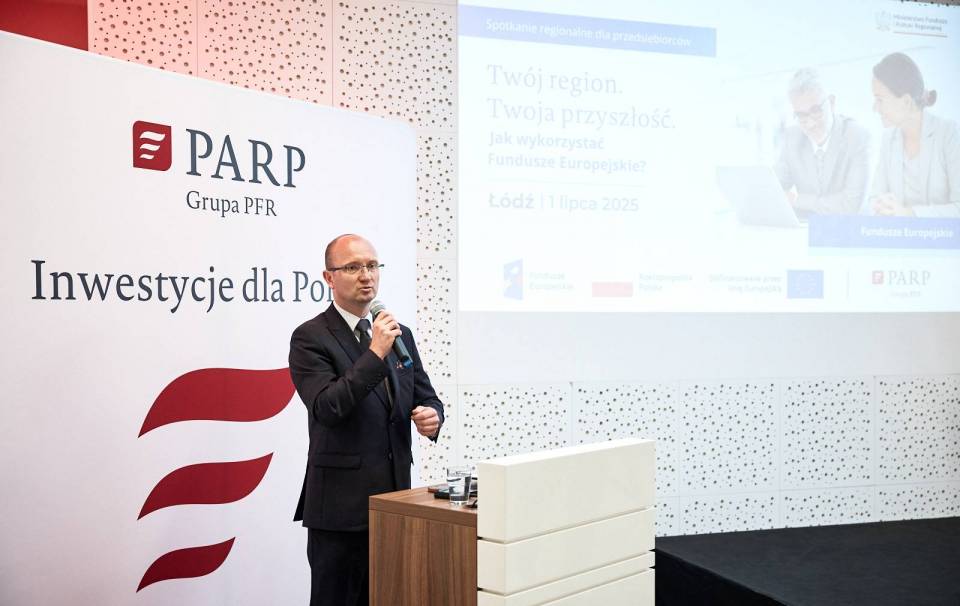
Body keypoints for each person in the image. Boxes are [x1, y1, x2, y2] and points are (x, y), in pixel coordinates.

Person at [288, 234, 444, 606]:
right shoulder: (310, 337)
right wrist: (375, 353)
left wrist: (433, 416)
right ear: (329, 277)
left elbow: (426, 395)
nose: (366, 276)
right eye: (353, 267)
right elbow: (327, 407)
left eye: (372, 266)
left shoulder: (399, 334)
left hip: (395, 503)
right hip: (341, 511)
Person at [870, 52, 960, 217]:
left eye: (880, 99)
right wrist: (881, 206)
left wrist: (910, 213)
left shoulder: (948, 133)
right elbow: (875, 197)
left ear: (906, 101)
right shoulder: (888, 140)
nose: (875, 108)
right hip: (897, 232)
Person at [774, 68, 871, 215]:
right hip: (807, 227)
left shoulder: (857, 137)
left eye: (816, 111)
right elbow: (774, 189)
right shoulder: (792, 137)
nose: (810, 124)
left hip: (849, 227)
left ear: (831, 103)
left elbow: (850, 205)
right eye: (801, 115)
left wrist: (797, 200)